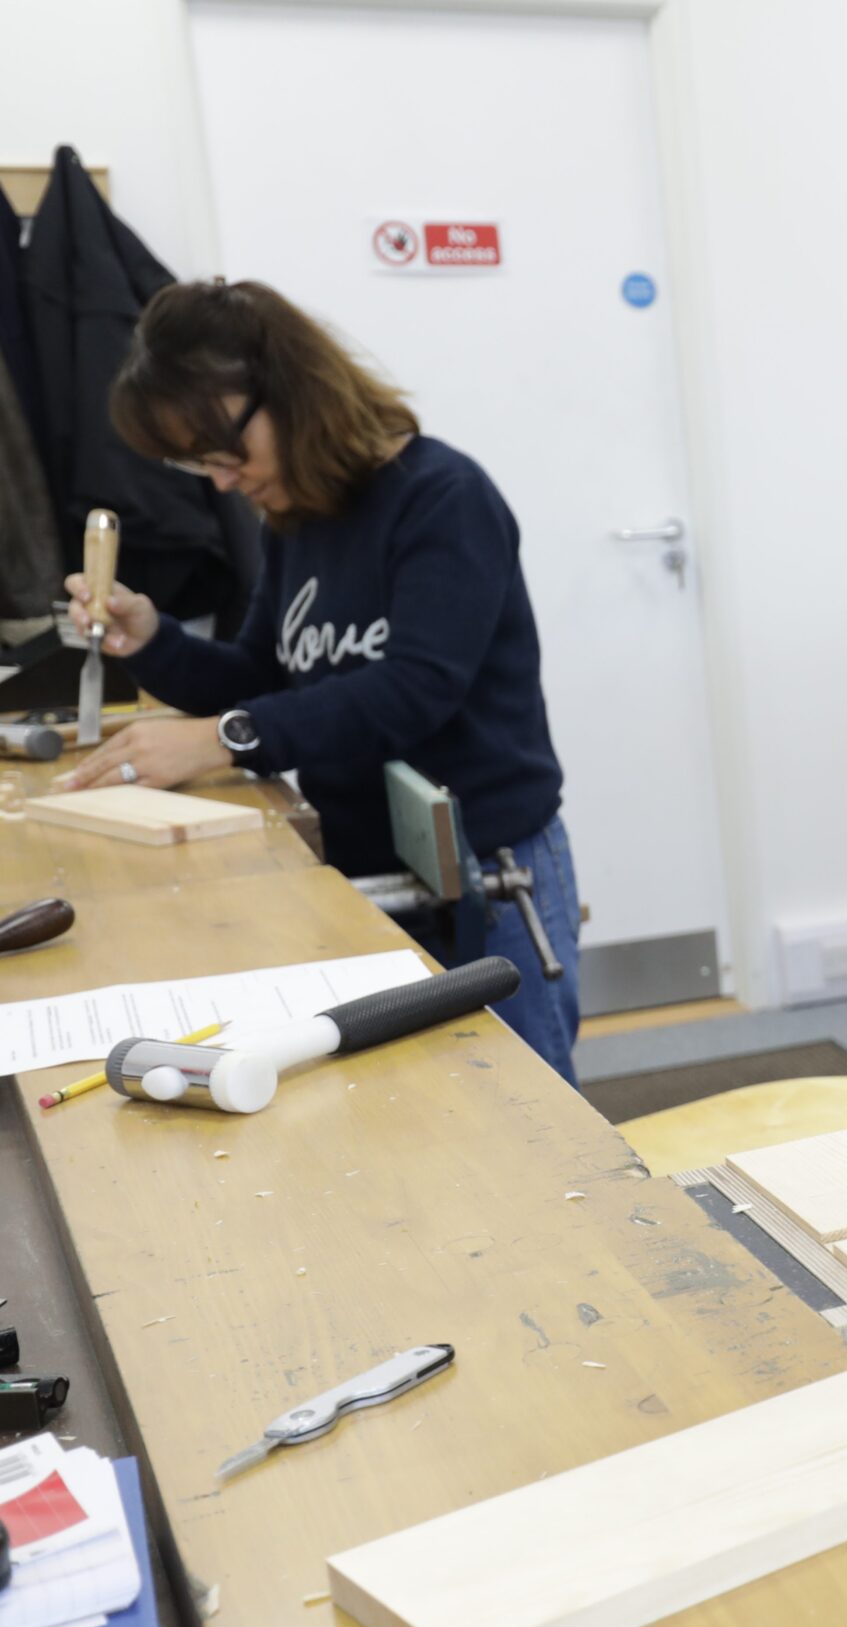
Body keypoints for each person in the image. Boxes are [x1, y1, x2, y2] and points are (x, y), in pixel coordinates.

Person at [55, 279, 582, 1085]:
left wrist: (224, 739)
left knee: (530, 1110)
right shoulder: (298, 523)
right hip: (366, 866)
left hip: (485, 870)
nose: (221, 482)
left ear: (290, 394)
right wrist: (153, 640)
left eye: (224, 452)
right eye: (201, 463)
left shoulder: (443, 499)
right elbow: (262, 675)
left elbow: (413, 691)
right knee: (414, 1110)